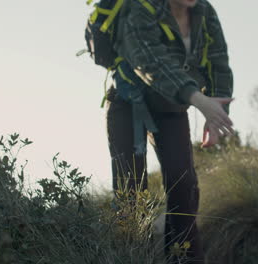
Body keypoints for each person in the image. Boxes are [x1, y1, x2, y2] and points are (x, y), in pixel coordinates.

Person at [106, 0, 233, 262]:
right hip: (128, 102)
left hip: (170, 107)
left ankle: (184, 259)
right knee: (131, 193)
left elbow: (218, 63)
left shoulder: (204, 12)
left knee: (184, 185)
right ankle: (130, 256)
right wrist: (198, 100)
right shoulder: (140, 7)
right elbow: (151, 63)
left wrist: (217, 115)